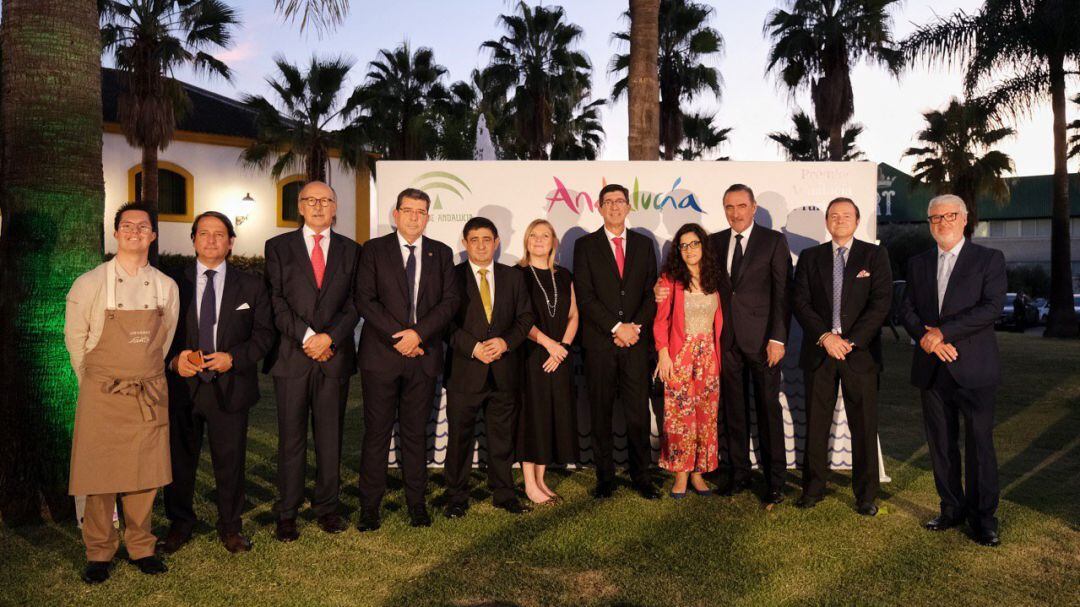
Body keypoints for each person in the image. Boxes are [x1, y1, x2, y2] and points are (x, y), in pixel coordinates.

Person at [64, 202, 180, 584]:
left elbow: (163, 343)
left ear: (152, 235)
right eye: (126, 225)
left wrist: (141, 372)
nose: (134, 231)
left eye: (142, 226)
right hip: (102, 392)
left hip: (148, 390)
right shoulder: (91, 282)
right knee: (98, 477)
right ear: (115, 233)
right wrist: (96, 382)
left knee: (144, 474)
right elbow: (76, 340)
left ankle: (142, 547)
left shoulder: (166, 286)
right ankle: (99, 551)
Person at [655, 183, 792, 504]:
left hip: (762, 343)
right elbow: (684, 279)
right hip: (725, 346)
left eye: (741, 206)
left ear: (754, 207)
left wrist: (777, 337)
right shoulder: (713, 242)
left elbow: (782, 292)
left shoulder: (773, 242)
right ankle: (738, 474)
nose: (736, 213)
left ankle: (775, 481)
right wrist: (657, 291)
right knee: (733, 413)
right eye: (729, 207)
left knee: (768, 410)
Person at [159, 211, 275, 554]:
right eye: (204, 233)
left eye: (219, 234)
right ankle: (180, 523)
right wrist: (174, 359)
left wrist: (234, 358)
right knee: (179, 461)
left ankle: (231, 527)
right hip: (183, 386)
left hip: (231, 387)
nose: (211, 240)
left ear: (231, 242)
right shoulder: (171, 282)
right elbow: (157, 331)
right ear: (193, 239)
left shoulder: (251, 284)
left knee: (231, 461)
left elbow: (265, 334)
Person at [900, 194, 1007, 547]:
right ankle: (951, 508)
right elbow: (908, 309)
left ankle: (983, 519)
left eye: (949, 216)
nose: (942, 222)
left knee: (979, 445)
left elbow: (991, 308)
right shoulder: (917, 263)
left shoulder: (988, 259)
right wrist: (928, 340)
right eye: (934, 218)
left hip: (973, 367)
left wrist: (943, 333)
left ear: (964, 219)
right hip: (932, 368)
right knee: (941, 444)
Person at [355, 188, 460, 530]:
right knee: (377, 434)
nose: (415, 216)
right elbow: (365, 300)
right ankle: (370, 507)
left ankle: (417, 503)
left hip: (423, 356)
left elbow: (449, 303)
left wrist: (418, 335)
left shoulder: (441, 254)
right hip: (382, 357)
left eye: (422, 211)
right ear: (395, 214)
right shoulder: (373, 250)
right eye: (409, 210)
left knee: (416, 435)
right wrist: (401, 337)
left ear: (428, 217)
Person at [264, 181, 362, 541]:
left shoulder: (352, 250)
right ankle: (287, 511)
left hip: (333, 358)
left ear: (335, 208)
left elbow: (356, 303)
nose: (319, 206)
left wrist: (330, 338)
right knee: (290, 439)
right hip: (293, 356)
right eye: (311, 200)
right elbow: (275, 300)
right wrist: (308, 338)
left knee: (329, 437)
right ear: (300, 207)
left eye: (326, 200)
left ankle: (327, 507)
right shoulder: (277, 247)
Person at [792, 198, 892, 515]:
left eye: (846, 215)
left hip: (858, 354)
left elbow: (881, 303)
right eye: (834, 215)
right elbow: (800, 302)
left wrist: (850, 341)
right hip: (820, 352)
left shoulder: (874, 255)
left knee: (863, 425)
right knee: (816, 424)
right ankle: (813, 488)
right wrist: (825, 337)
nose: (840, 220)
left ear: (857, 220)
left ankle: (866, 495)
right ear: (826, 221)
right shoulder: (810, 257)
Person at [574, 183, 660, 500]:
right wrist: (615, 327)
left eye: (620, 201)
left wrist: (634, 327)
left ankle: (641, 476)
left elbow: (652, 292)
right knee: (600, 412)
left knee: (638, 413)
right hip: (600, 344)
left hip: (636, 344)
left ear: (628, 206)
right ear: (599, 207)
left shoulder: (644, 244)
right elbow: (585, 296)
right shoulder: (585, 246)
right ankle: (605, 477)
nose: (614, 207)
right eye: (608, 202)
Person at [443, 217, 533, 518]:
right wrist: (473, 347)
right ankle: (456, 496)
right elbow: (445, 322)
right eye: (474, 240)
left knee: (502, 437)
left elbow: (525, 319)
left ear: (496, 242)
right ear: (465, 243)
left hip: (504, 370)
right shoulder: (451, 277)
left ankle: (504, 492)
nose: (481, 245)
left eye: (487, 239)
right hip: (465, 371)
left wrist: (505, 343)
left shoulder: (513, 277)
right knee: (459, 439)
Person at [653, 223, 723, 497]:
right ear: (677, 251)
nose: (690, 250)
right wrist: (663, 354)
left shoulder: (715, 278)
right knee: (679, 418)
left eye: (694, 243)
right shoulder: (670, 279)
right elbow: (661, 322)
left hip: (709, 357)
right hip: (680, 355)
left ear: (703, 246)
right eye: (684, 245)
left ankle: (699, 473)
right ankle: (680, 475)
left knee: (706, 418)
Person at [516, 219, 580, 505]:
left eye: (545, 235)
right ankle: (529, 483)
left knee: (549, 417)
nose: (539, 240)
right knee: (531, 417)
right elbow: (518, 320)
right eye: (534, 235)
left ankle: (541, 480)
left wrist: (563, 347)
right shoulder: (516, 274)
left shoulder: (564, 275)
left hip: (559, 357)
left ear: (554, 242)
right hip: (531, 355)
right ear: (527, 241)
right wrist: (548, 344)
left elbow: (573, 315)